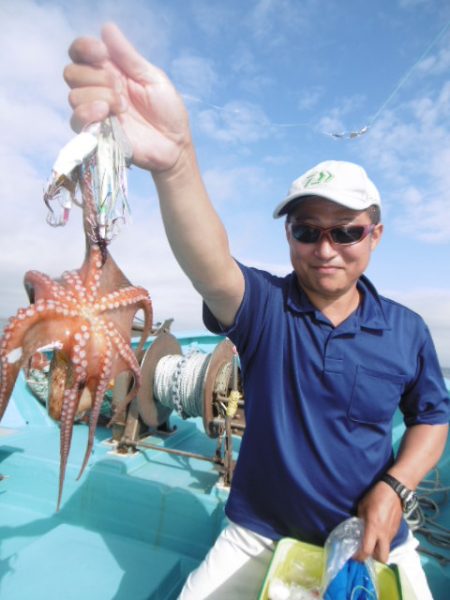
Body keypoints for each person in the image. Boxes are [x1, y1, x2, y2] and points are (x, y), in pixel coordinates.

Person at [65, 23, 449, 599]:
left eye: (346, 231)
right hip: (258, 533)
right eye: (305, 229)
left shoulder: (406, 329)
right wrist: (175, 164)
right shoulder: (266, 307)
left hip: (377, 534)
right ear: (289, 235)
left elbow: (431, 418)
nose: (325, 248)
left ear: (375, 236)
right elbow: (210, 262)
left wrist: (394, 488)